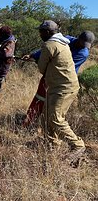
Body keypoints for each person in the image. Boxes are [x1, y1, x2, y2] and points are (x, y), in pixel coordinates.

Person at [22, 30, 95, 127]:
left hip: (62, 82)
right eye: (82, 43)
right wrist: (33, 56)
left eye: (86, 45)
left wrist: (43, 61)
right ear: (78, 38)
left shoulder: (83, 54)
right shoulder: (67, 39)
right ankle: (28, 122)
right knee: (39, 99)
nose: (83, 46)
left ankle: (42, 126)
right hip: (49, 77)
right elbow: (50, 49)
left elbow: (62, 66)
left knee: (52, 106)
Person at [35, 20, 85, 160]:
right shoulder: (63, 42)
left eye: (41, 31)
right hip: (62, 86)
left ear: (48, 32)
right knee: (46, 116)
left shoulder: (49, 44)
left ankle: (77, 145)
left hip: (63, 87)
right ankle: (52, 144)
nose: (40, 34)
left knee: (55, 118)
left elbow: (41, 68)